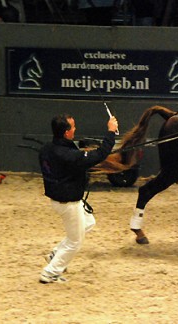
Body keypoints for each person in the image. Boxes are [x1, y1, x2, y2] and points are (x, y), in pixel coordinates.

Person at [38, 114, 119, 284]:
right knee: (75, 242)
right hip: (68, 202)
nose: (75, 130)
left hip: (60, 197)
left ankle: (55, 253)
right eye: (73, 127)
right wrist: (111, 132)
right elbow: (99, 155)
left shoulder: (47, 149)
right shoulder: (67, 154)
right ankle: (50, 272)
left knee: (88, 222)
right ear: (67, 132)